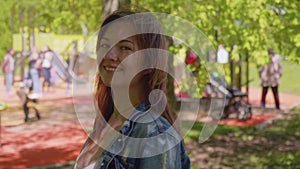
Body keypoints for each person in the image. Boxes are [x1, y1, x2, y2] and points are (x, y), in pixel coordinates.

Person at [75, 8, 190, 169]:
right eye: (105, 44)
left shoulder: (153, 134)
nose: (109, 55)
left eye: (125, 48)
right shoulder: (105, 122)